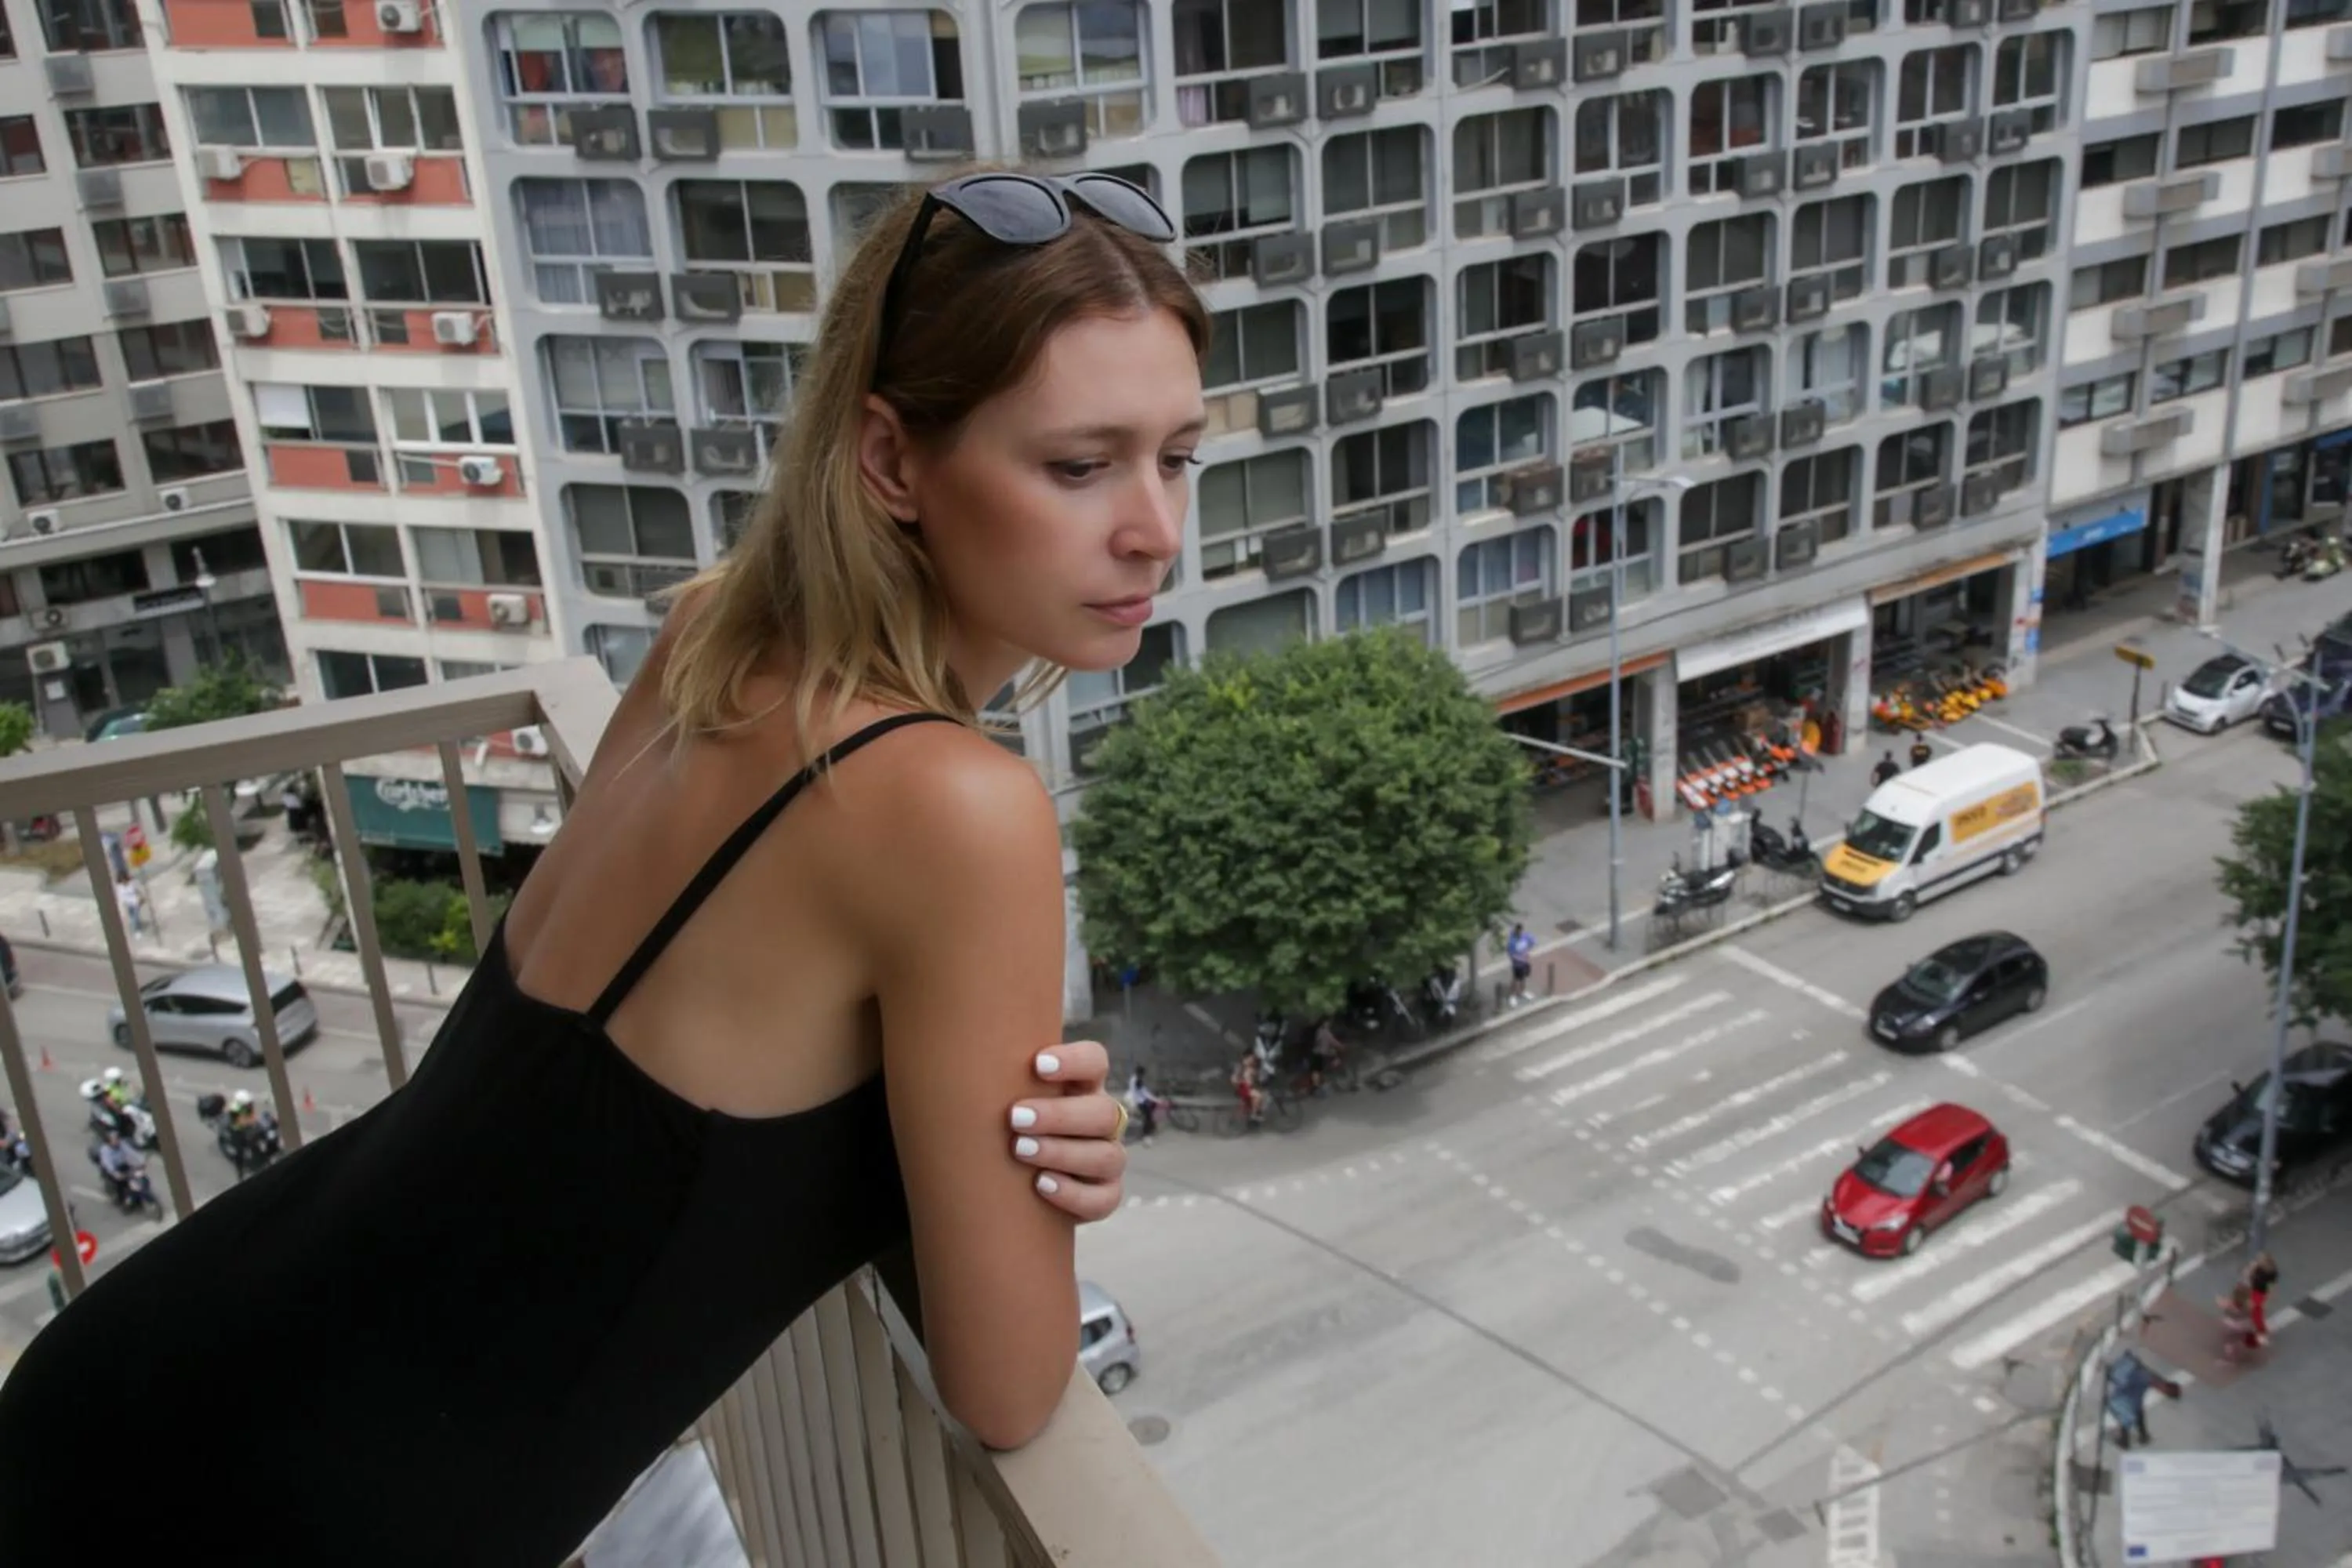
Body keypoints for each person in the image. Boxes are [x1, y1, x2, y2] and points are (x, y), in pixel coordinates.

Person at [0, 166, 1200, 1559]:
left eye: (1176, 454)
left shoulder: (714, 639)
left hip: (155, 1371)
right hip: (283, 1515)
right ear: (887, 462)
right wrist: (1046, 1176)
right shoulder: (958, 810)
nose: (1154, 530)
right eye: (1078, 464)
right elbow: (1010, 1389)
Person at [1123, 1065, 1161, 1145]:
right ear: (1140, 1074)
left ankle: (1151, 1125)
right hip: (1136, 1101)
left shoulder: (1134, 1079)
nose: (1143, 1076)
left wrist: (1153, 1099)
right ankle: (1146, 1135)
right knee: (1148, 1115)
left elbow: (1142, 1092)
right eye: (1142, 1074)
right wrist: (1155, 1099)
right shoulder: (1137, 1081)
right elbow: (1143, 1093)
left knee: (1152, 1106)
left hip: (1135, 1099)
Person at [1507, 923, 1536, 1007]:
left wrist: (1527, 952)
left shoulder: (1525, 937)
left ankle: (1522, 992)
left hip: (1525, 962)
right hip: (1517, 964)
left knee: (1523, 978)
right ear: (1516, 931)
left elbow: (1532, 942)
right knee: (1516, 979)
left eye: (1521, 932)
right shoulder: (1512, 941)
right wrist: (1520, 958)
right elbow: (1511, 954)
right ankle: (1512, 996)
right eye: (1518, 932)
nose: (1520, 934)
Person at [113, 873, 147, 938]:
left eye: (124, 880)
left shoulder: (132, 884)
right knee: (132, 917)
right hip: (128, 904)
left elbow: (138, 890)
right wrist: (121, 907)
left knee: (136, 917)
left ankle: (137, 930)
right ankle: (137, 926)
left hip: (135, 902)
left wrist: (142, 897)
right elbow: (120, 898)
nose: (124, 882)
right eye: (122, 881)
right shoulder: (119, 888)